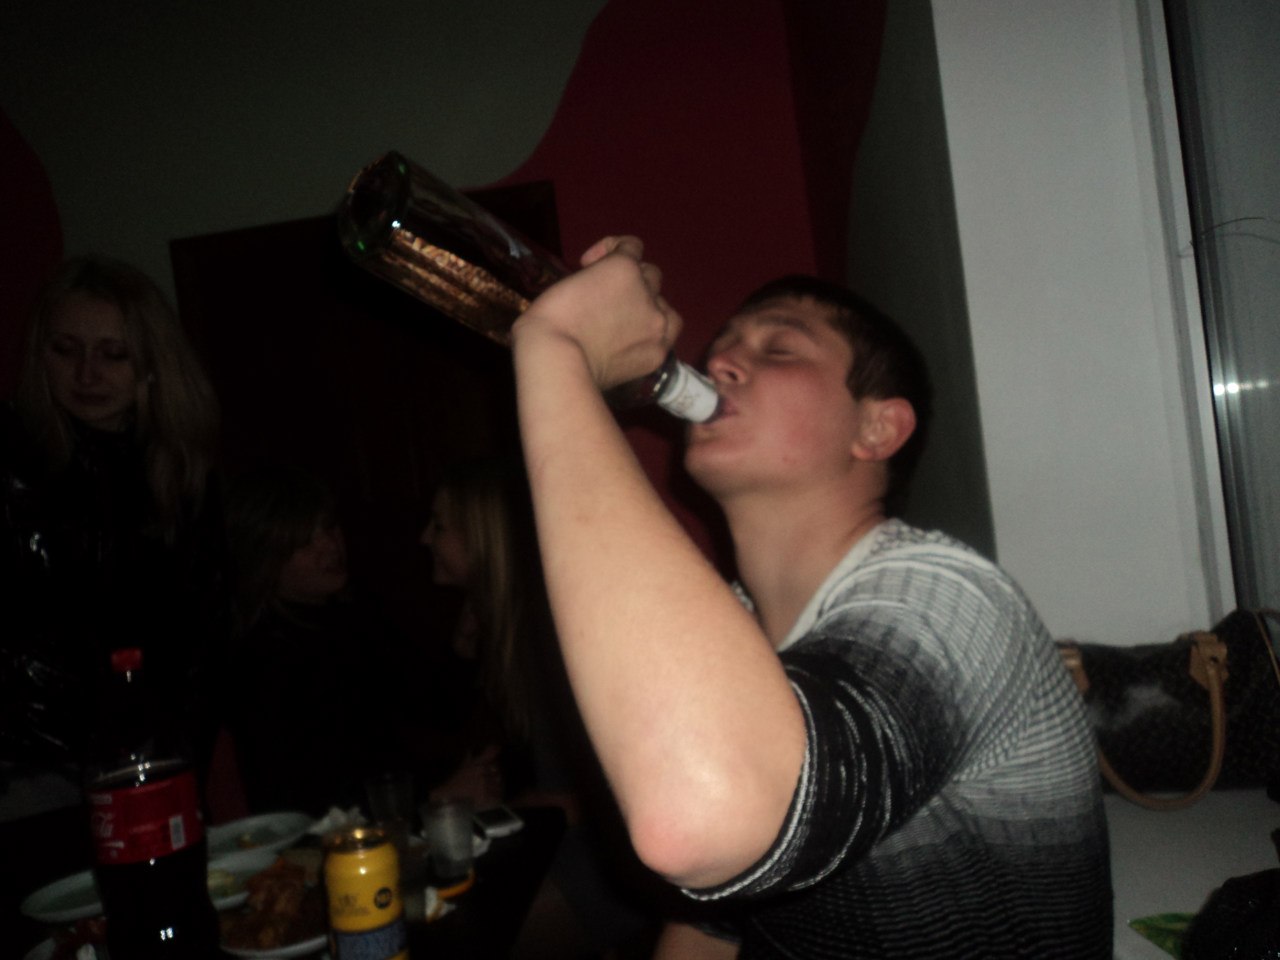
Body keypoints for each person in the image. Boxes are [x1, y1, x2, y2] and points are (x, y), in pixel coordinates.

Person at [507, 236, 1113, 958]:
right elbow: (710, 926)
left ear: (876, 428)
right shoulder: (731, 626)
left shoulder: (954, 602)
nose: (719, 363)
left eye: (780, 349)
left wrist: (556, 350)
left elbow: (702, 821)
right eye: (722, 347)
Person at [0, 255, 228, 954]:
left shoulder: (183, 474)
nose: (87, 374)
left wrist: (173, 764)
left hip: (156, 769)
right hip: (37, 775)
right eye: (66, 350)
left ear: (151, 366)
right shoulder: (15, 466)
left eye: (112, 354)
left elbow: (204, 639)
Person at [421, 456, 660, 959]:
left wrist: (522, 806)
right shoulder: (496, 627)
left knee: (461, 938)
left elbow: (620, 787)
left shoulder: (548, 632)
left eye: (440, 526)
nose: (425, 539)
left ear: (480, 535)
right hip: (547, 839)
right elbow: (467, 748)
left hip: (607, 857)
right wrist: (460, 656)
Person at [220, 462, 424, 816]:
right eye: (304, 541)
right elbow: (303, 799)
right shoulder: (264, 660)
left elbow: (423, 713)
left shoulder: (356, 616)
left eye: (330, 527)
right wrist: (435, 795)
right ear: (266, 558)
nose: (330, 546)